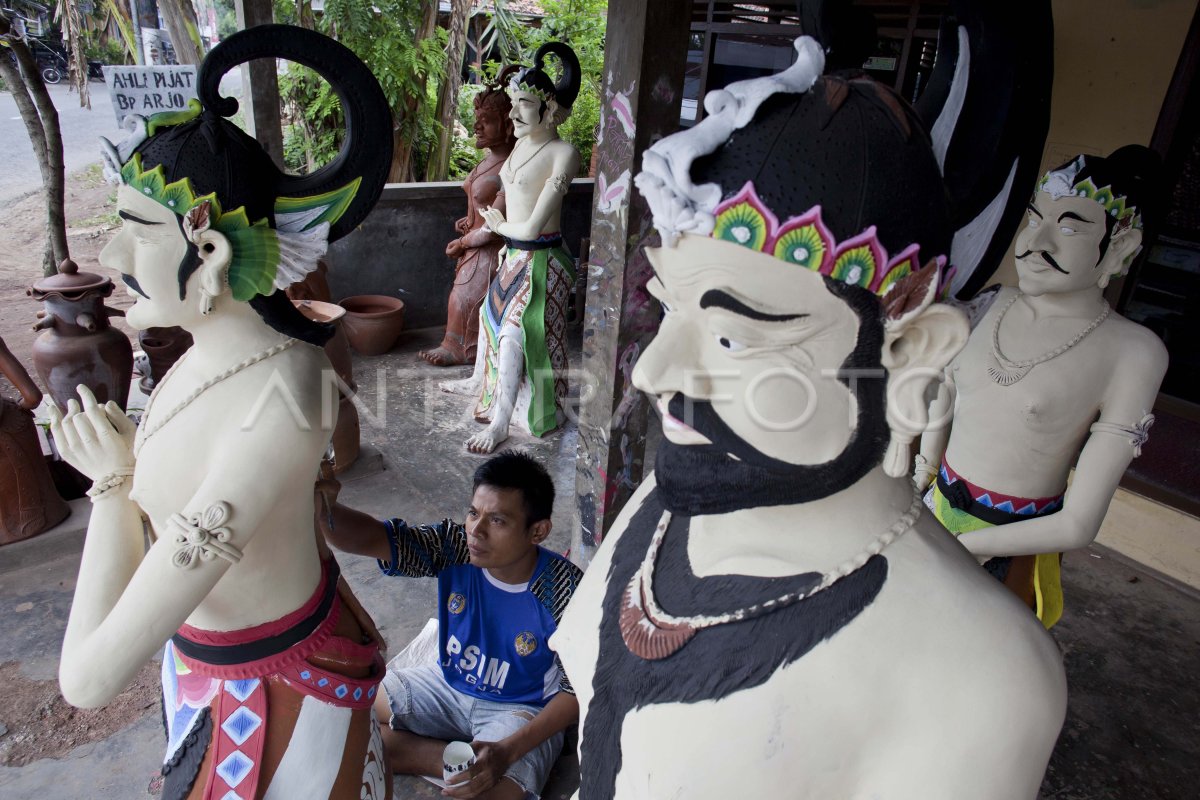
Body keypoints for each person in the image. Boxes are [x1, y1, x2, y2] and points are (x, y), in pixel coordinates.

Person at [551, 37, 1066, 799]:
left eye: (732, 336)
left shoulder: (980, 676)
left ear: (911, 348)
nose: (652, 371)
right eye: (670, 309)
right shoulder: (661, 513)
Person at [48, 26, 394, 799]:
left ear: (207, 254)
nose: (108, 258)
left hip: (276, 692)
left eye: (134, 232)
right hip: (204, 662)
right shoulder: (196, 360)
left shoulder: (289, 392)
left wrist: (110, 489)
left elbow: (89, 678)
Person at [915, 146, 1168, 628]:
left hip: (1008, 544)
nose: (1036, 241)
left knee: (975, 664)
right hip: (930, 510)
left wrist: (967, 548)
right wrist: (919, 476)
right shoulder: (990, 303)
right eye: (1034, 219)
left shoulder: (1132, 351)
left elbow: (1079, 524)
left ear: (1120, 247)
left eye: (1070, 227)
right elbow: (947, 396)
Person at [318, 450, 581, 800]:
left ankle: (462, 763)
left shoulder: (564, 590)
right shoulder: (455, 546)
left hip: (523, 707)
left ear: (538, 531)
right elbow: (375, 539)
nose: (476, 530)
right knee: (345, 711)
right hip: (450, 684)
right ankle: (449, 761)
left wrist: (507, 751)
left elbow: (575, 691)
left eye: (498, 520)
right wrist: (322, 510)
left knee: (495, 794)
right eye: (474, 513)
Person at [441, 43, 581, 454]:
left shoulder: (564, 153)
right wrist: (487, 220)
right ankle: (477, 386)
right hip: (513, 255)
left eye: (524, 105)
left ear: (549, 109)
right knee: (489, 318)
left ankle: (501, 421)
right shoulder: (520, 146)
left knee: (515, 331)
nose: (514, 115)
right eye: (514, 105)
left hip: (543, 258)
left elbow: (535, 223)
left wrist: (499, 226)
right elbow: (506, 193)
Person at [420, 71, 517, 367]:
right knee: (461, 298)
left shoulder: (513, 166)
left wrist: (462, 242)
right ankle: (456, 344)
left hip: (489, 247)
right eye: (477, 118)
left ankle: (465, 349)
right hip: (472, 245)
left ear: (509, 124)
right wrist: (465, 222)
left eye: (485, 120)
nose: (476, 126)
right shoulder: (488, 160)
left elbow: (494, 225)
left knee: (466, 300)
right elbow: (478, 206)